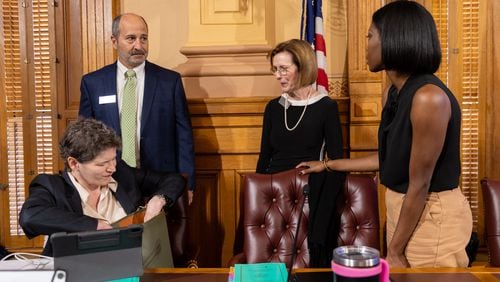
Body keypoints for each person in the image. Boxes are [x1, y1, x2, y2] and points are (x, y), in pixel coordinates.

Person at [297, 1, 473, 268]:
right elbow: (390, 158)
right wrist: (327, 165)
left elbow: (420, 184)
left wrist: (395, 250)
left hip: (432, 216)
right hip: (407, 211)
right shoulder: (395, 93)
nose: (365, 44)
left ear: (393, 39)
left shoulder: (428, 98)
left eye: (370, 36)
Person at [19, 118, 185, 256]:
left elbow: (173, 179)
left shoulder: (122, 174)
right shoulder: (52, 186)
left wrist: (159, 199)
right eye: (103, 163)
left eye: (113, 159)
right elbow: (30, 217)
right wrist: (95, 225)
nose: (112, 168)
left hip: (129, 268)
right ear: (74, 163)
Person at [78, 13, 196, 204]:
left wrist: (188, 183)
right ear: (114, 41)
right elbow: (84, 138)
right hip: (110, 183)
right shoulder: (93, 83)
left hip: (161, 183)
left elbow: (184, 136)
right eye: (131, 38)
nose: (139, 46)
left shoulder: (169, 82)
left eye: (144, 38)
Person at [256, 39, 344, 267]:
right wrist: (258, 196)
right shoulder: (273, 108)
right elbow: (264, 159)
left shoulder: (326, 106)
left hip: (309, 191)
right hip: (275, 193)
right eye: (275, 69)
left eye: (284, 69)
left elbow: (337, 160)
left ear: (302, 68)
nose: (278, 75)